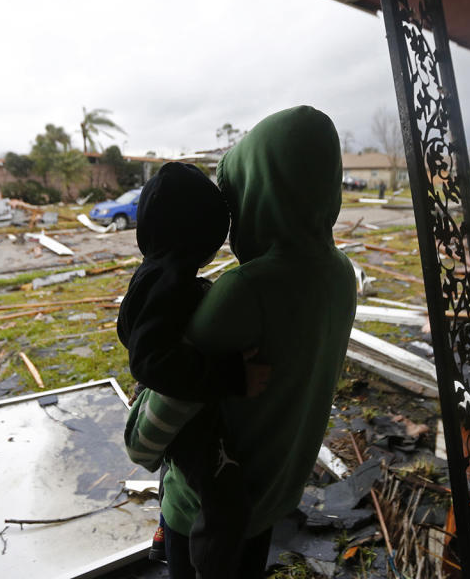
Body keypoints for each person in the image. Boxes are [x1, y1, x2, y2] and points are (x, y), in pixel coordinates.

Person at [125, 106, 357, 578]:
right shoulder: (340, 275)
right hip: (271, 494)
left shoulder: (244, 290)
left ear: (260, 189)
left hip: (203, 517)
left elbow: (144, 440)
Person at [118, 161, 269, 575]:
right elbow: (152, 361)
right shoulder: (169, 282)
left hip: (175, 395)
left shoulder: (156, 273)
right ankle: (209, 565)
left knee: (177, 475)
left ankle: (166, 534)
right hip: (189, 409)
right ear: (202, 235)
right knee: (225, 495)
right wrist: (231, 376)